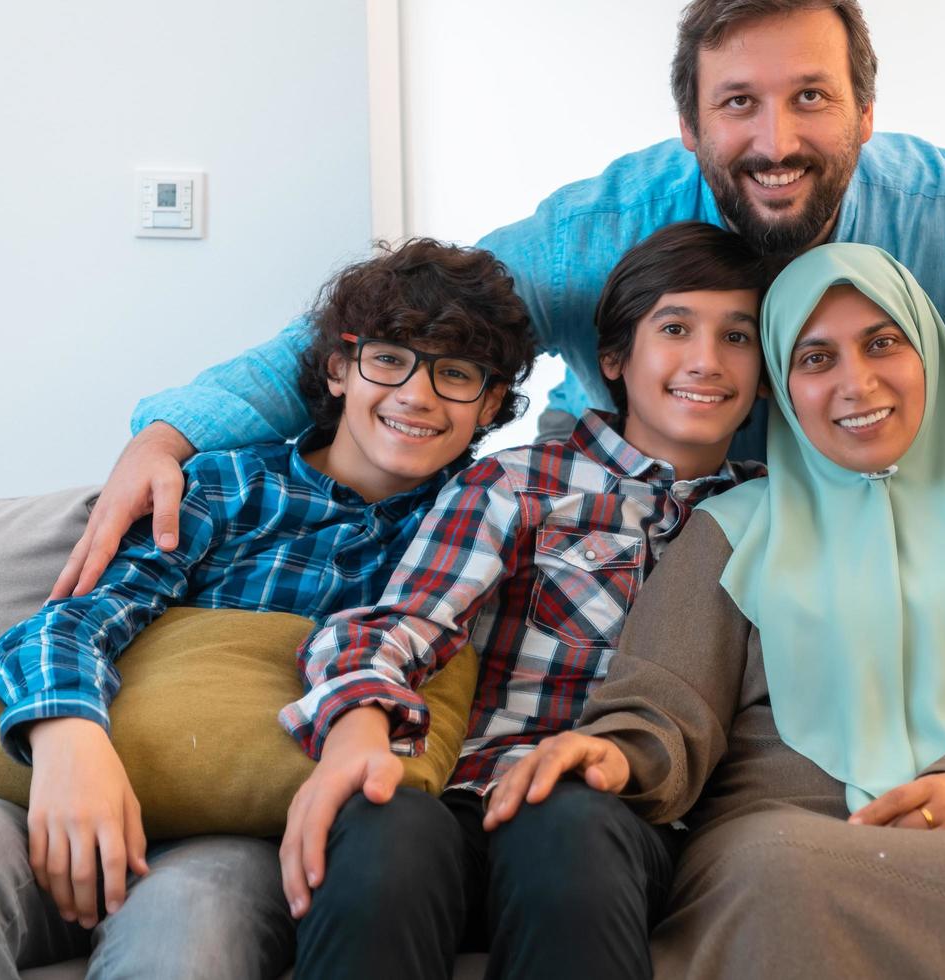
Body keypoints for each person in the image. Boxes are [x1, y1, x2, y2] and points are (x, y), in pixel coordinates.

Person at [60, 0, 945, 656]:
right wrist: (174, 422)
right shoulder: (608, 226)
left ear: (863, 113)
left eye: (810, 99)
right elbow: (413, 323)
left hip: (845, 541)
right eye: (740, 106)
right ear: (693, 123)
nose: (775, 139)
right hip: (638, 566)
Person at [484, 243, 945, 978]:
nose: (857, 383)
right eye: (817, 359)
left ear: (930, 353)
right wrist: (617, 751)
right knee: (777, 871)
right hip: (797, 829)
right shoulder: (734, 526)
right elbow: (665, 698)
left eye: (883, 343)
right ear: (782, 388)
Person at [0, 239, 535, 978]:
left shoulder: (475, 527)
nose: (416, 395)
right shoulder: (226, 486)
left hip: (240, 838)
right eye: (389, 359)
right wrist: (67, 737)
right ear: (338, 368)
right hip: (87, 779)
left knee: (191, 913)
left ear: (491, 402)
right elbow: (75, 617)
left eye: (455, 374)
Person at [275, 222, 769, 980]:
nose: (706, 360)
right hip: (474, 800)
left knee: (565, 817)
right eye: (675, 328)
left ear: (766, 370)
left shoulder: (772, 513)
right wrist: (357, 727)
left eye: (737, 337)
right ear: (614, 358)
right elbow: (405, 624)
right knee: (385, 823)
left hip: (629, 821)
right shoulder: (519, 483)